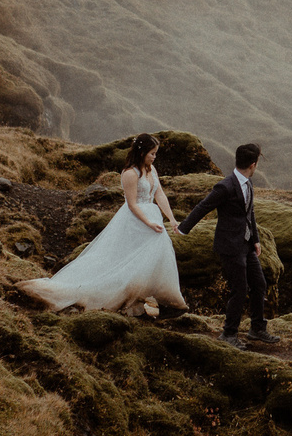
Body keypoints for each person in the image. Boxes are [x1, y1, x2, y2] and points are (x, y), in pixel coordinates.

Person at [14, 134, 188, 316]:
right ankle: (125, 298)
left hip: (153, 218)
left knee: (157, 256)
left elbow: (159, 194)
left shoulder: (152, 170)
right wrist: (149, 223)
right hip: (137, 221)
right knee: (129, 260)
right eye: (152, 153)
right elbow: (132, 204)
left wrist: (171, 218)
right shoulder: (130, 173)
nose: (154, 157)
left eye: (155, 153)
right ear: (142, 152)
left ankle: (165, 301)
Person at [181, 142, 268, 345]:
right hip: (230, 245)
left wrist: (255, 240)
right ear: (253, 165)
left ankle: (257, 329)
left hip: (245, 244)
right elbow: (203, 207)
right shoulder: (226, 186)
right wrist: (184, 228)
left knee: (259, 283)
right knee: (239, 289)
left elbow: (250, 213)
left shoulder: (247, 182)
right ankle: (229, 334)